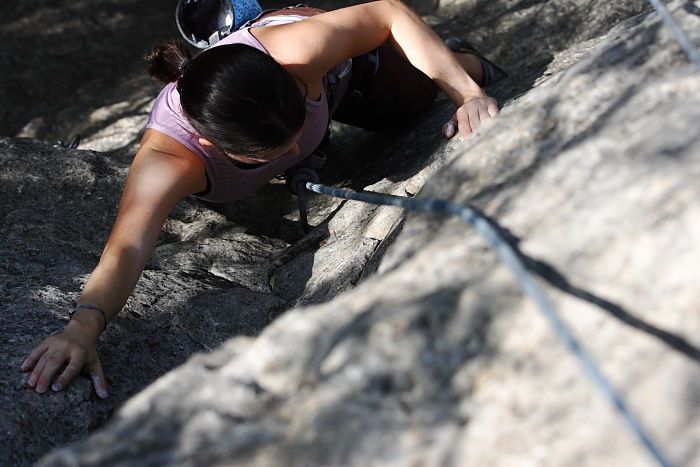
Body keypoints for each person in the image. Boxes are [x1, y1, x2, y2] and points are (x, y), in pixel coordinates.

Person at [21, 0, 504, 399]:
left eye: (297, 136)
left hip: (342, 80)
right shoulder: (170, 159)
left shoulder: (298, 50)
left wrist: (466, 93)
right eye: (275, 153)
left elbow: (388, 13)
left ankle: (459, 57)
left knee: (412, 100)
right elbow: (127, 247)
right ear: (214, 147)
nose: (295, 150)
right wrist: (83, 327)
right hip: (268, 105)